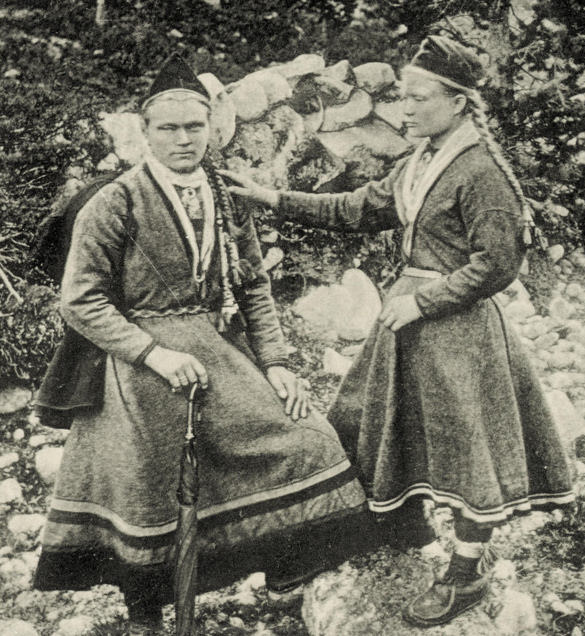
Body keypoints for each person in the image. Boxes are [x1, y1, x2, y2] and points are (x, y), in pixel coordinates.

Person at [222, 35, 576, 627]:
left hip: (457, 330)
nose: (405, 108)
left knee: (466, 450)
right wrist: (271, 198)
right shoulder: (422, 160)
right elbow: (359, 208)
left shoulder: (482, 171)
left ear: (460, 103)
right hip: (405, 322)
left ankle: (466, 572)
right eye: (403, 97)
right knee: (366, 424)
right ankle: (391, 527)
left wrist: (425, 301)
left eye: (420, 98)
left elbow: (498, 263)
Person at [32, 55, 380, 635]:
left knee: (307, 440)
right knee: (147, 491)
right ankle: (144, 609)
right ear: (144, 134)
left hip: (221, 349)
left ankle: (284, 569)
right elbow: (82, 301)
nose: (182, 139)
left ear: (212, 128)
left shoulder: (225, 194)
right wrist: (155, 354)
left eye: (194, 126)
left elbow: (253, 286)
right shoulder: (115, 202)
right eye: (167, 128)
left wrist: (277, 363)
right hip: (138, 362)